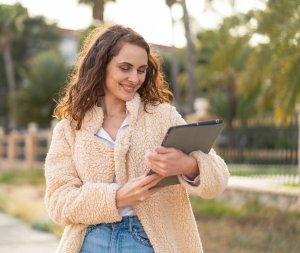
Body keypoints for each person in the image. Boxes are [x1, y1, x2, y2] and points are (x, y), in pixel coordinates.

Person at [44, 24, 229, 253]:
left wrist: (189, 165)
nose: (134, 78)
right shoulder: (69, 128)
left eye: (141, 70)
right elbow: (57, 202)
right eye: (125, 68)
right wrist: (118, 197)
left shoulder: (162, 116)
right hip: (89, 241)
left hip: (149, 242)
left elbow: (218, 179)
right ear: (101, 67)